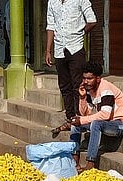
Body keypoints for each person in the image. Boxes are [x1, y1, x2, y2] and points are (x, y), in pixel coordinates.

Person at [68, 62, 123, 172]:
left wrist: (82, 120)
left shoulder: (106, 88)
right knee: (75, 125)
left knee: (96, 123)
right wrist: (82, 97)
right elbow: (85, 113)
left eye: (89, 79)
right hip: (107, 122)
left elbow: (105, 114)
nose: (85, 82)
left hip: (122, 124)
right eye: (84, 78)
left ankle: (90, 163)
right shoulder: (90, 90)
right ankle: (74, 162)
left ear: (98, 79)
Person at [45, 0, 96, 131]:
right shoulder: (52, 2)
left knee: (78, 84)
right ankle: (70, 118)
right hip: (59, 49)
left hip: (76, 47)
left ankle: (80, 117)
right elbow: (50, 26)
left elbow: (92, 20)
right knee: (64, 85)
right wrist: (48, 50)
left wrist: (80, 33)